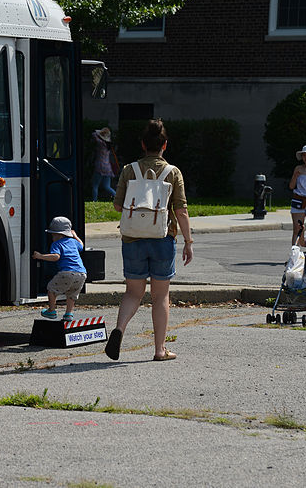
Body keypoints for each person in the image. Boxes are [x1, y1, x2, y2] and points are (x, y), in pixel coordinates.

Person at [104, 119, 193, 362]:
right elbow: (181, 210)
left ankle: (119, 329)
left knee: (133, 292)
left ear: (143, 144)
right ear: (165, 145)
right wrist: (188, 241)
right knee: (160, 295)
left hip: (132, 238)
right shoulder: (173, 173)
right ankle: (159, 349)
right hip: (162, 239)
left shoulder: (128, 170)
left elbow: (118, 205)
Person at [32, 216, 87, 321]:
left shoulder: (56, 244)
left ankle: (51, 310)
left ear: (57, 234)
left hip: (67, 272)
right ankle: (68, 314)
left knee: (51, 289)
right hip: (82, 274)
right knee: (72, 294)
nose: (52, 236)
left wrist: (40, 256)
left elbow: (56, 257)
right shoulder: (73, 242)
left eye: (53, 234)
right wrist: (75, 236)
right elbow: (81, 245)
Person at [91, 127, 118, 201]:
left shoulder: (100, 143)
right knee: (107, 186)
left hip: (99, 166)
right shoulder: (108, 145)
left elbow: (94, 134)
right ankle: (117, 198)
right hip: (108, 167)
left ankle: (94, 200)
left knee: (95, 185)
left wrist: (99, 132)